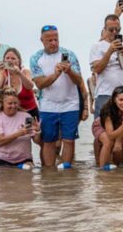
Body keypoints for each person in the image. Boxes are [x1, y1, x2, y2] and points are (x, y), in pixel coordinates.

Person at [30, 25, 86, 168]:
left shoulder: (70, 54)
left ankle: (66, 170)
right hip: (48, 105)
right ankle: (49, 173)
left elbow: (79, 80)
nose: (53, 42)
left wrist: (69, 72)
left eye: (56, 39)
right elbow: (40, 84)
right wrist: (56, 74)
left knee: (69, 140)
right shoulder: (36, 58)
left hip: (70, 104)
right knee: (48, 140)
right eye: (49, 40)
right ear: (41, 40)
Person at [90, 14, 123, 118]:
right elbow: (97, 69)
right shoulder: (97, 47)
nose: (114, 32)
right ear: (105, 29)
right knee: (103, 130)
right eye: (111, 30)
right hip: (105, 94)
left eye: (117, 29)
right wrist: (109, 51)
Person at [0, 88, 41, 168]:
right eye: (10, 103)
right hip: (2, 159)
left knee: (28, 173)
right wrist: (19, 133)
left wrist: (38, 131)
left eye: (15, 103)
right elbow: (0, 141)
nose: (13, 106)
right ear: (2, 104)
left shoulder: (26, 116)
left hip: (24, 159)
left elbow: (37, 141)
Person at [91, 87, 123, 169]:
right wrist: (122, 128)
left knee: (121, 145)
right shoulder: (108, 111)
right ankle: (102, 169)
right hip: (100, 126)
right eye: (121, 100)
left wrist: (118, 140)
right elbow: (110, 135)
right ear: (114, 99)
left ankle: (118, 166)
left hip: (118, 126)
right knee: (108, 141)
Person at [0, 48, 38, 118]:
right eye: (7, 58)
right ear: (4, 60)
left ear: (19, 61)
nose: (10, 60)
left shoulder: (25, 72)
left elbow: (30, 86)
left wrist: (19, 73)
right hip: (12, 113)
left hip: (30, 112)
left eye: (13, 58)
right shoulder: (3, 73)